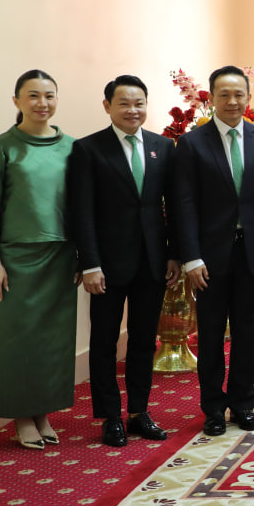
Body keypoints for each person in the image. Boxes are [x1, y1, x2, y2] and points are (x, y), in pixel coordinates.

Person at [67, 75, 179, 447]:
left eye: (139, 103)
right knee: (104, 341)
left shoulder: (163, 147)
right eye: (124, 103)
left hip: (152, 261)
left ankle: (139, 412)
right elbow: (81, 211)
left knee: (144, 340)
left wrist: (174, 253)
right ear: (108, 106)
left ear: (146, 105)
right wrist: (89, 263)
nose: (133, 110)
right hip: (106, 265)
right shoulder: (88, 149)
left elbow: (173, 206)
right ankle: (110, 416)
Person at [172, 65, 254, 437]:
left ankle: (243, 404)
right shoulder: (192, 143)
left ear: (248, 98)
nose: (232, 101)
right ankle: (213, 409)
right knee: (211, 334)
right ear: (212, 98)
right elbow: (184, 204)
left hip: (253, 253)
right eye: (225, 94)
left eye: (239, 94)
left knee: (247, 333)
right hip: (209, 257)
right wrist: (191, 257)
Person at [0, 69, 76, 449]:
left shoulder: (72, 147)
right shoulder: (1, 146)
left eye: (49, 95)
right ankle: (22, 415)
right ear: (17, 101)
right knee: (17, 340)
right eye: (33, 95)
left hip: (61, 255)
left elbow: (81, 206)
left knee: (52, 341)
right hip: (15, 258)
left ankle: (42, 412)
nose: (42, 103)